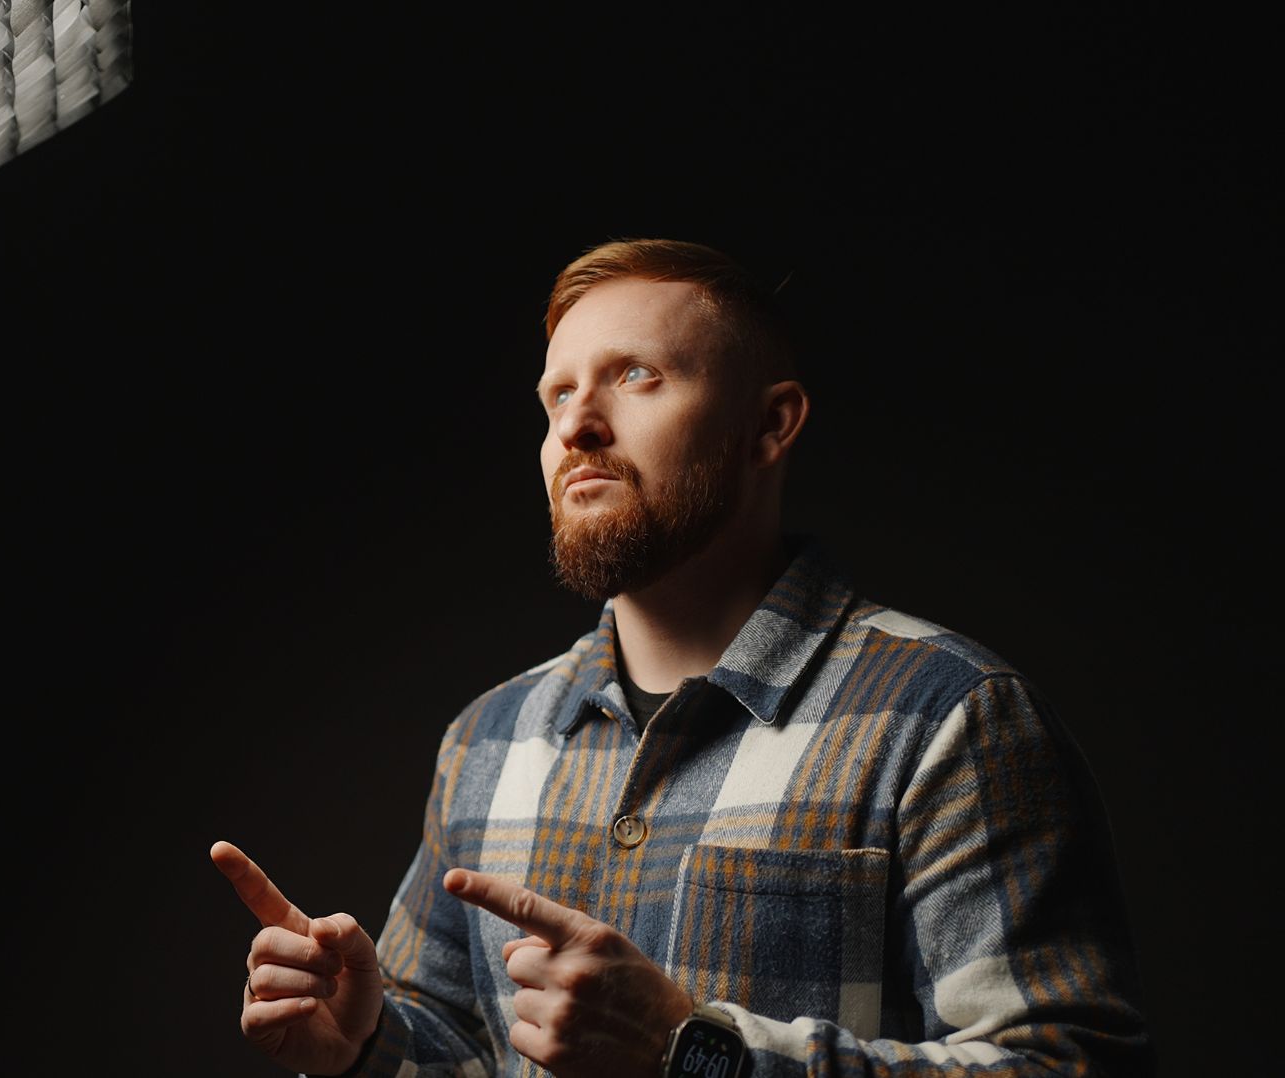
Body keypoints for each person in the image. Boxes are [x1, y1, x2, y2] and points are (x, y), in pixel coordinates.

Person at [210, 238, 1152, 1077]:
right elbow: (462, 1046)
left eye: (636, 376)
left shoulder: (949, 717)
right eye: (557, 394)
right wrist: (369, 1044)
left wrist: (692, 1052)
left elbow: (1068, 1063)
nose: (577, 426)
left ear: (770, 426)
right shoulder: (487, 738)